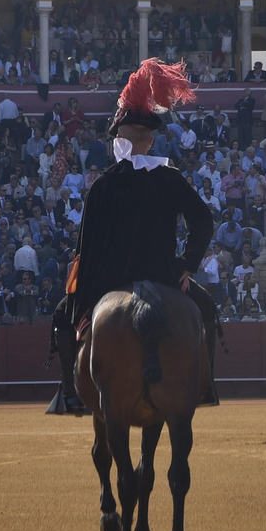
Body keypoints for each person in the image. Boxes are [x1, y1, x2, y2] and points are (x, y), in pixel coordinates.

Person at [48, 58, 220, 416]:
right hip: (164, 277)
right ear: (151, 140)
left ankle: (72, 393)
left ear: (119, 140)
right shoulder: (170, 179)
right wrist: (186, 264)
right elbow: (203, 221)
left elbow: (86, 250)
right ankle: (204, 386)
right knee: (205, 311)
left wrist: (84, 292)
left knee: (63, 320)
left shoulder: (103, 186)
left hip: (108, 282)